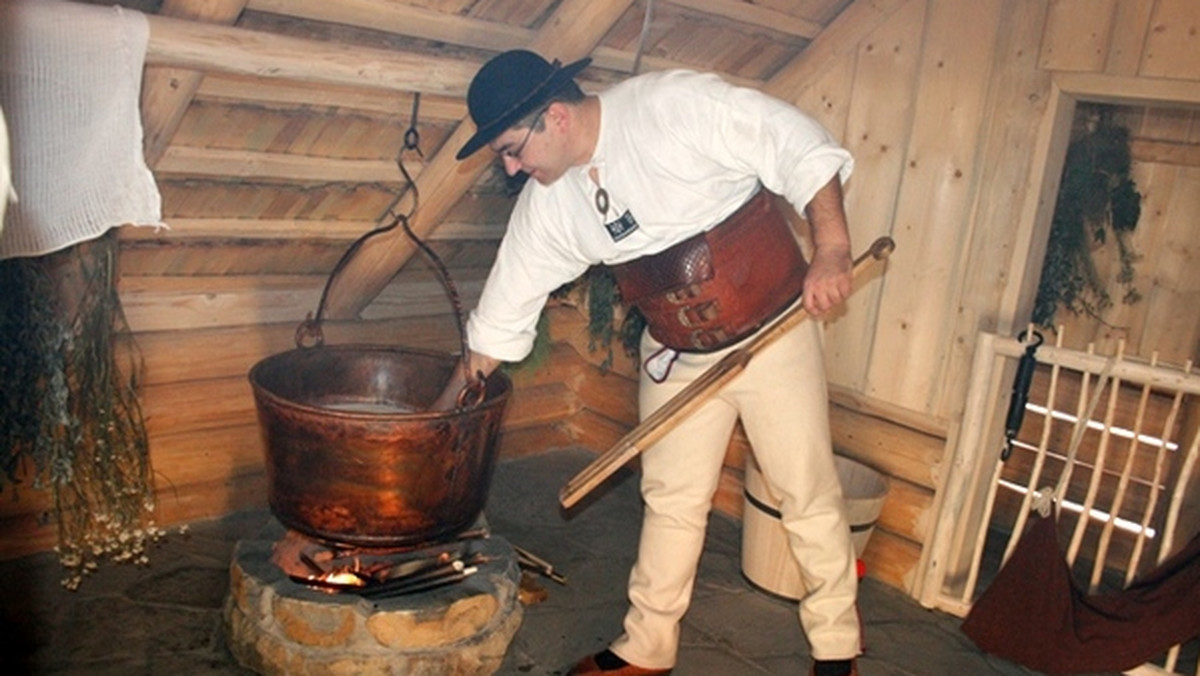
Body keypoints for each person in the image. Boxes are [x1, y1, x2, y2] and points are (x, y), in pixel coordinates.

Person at [440, 49, 861, 676]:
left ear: (554, 117)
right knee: (670, 500)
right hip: (676, 354)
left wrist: (831, 248)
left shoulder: (671, 106)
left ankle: (836, 651)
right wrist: (440, 414)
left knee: (806, 492)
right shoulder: (548, 204)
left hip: (773, 332)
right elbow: (500, 318)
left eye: (510, 149)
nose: (511, 167)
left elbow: (794, 141)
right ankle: (647, 648)